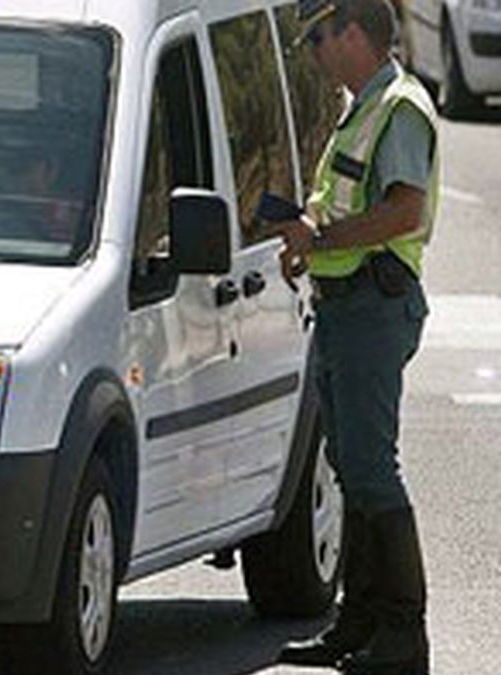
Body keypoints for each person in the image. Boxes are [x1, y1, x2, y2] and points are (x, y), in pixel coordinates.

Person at [273, 1, 438, 673]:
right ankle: (360, 620)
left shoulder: (397, 105)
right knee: (348, 463)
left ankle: (404, 633)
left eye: (318, 37)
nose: (312, 51)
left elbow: (405, 207)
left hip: (375, 301)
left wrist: (324, 238)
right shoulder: (361, 106)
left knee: (370, 467)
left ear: (352, 33)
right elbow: (340, 196)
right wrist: (307, 232)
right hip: (345, 303)